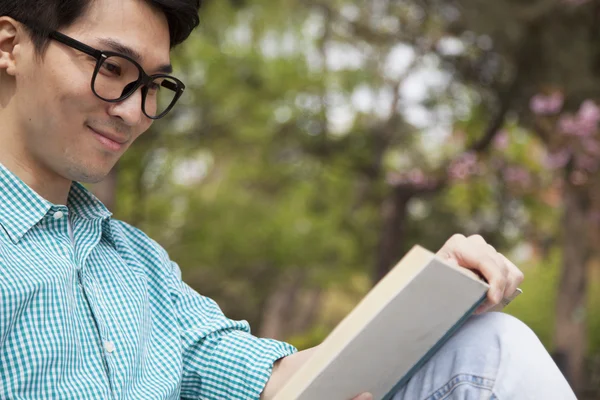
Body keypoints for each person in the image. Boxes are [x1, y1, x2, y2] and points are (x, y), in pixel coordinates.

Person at [0, 0, 577, 399]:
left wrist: (429, 301)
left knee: (491, 349)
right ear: (10, 45)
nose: (132, 110)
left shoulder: (134, 262)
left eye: (153, 86)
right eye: (112, 67)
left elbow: (275, 380)